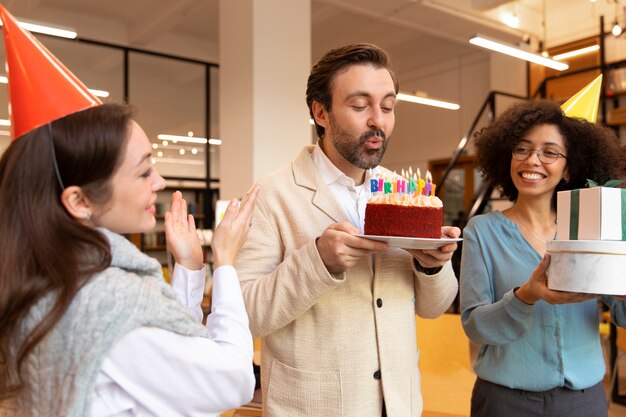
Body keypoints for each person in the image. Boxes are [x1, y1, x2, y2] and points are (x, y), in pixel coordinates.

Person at [0, 6, 256, 416]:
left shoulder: (51, 279)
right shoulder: (102, 299)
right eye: (143, 172)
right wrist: (224, 263)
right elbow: (233, 379)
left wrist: (189, 269)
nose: (159, 183)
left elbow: (164, 362)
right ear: (80, 201)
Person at [235, 43, 460, 417]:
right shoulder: (271, 196)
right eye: (360, 106)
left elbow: (434, 309)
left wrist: (432, 266)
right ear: (321, 112)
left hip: (399, 405)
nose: (378, 121)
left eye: (387, 107)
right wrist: (318, 261)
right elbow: (245, 315)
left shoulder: (401, 194)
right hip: (315, 406)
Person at [460, 99, 626, 417]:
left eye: (550, 152)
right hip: (505, 403)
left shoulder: (588, 229)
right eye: (521, 149)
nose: (532, 160)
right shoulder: (482, 231)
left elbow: (623, 314)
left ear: (569, 169)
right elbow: (475, 326)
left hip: (583, 402)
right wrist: (526, 296)